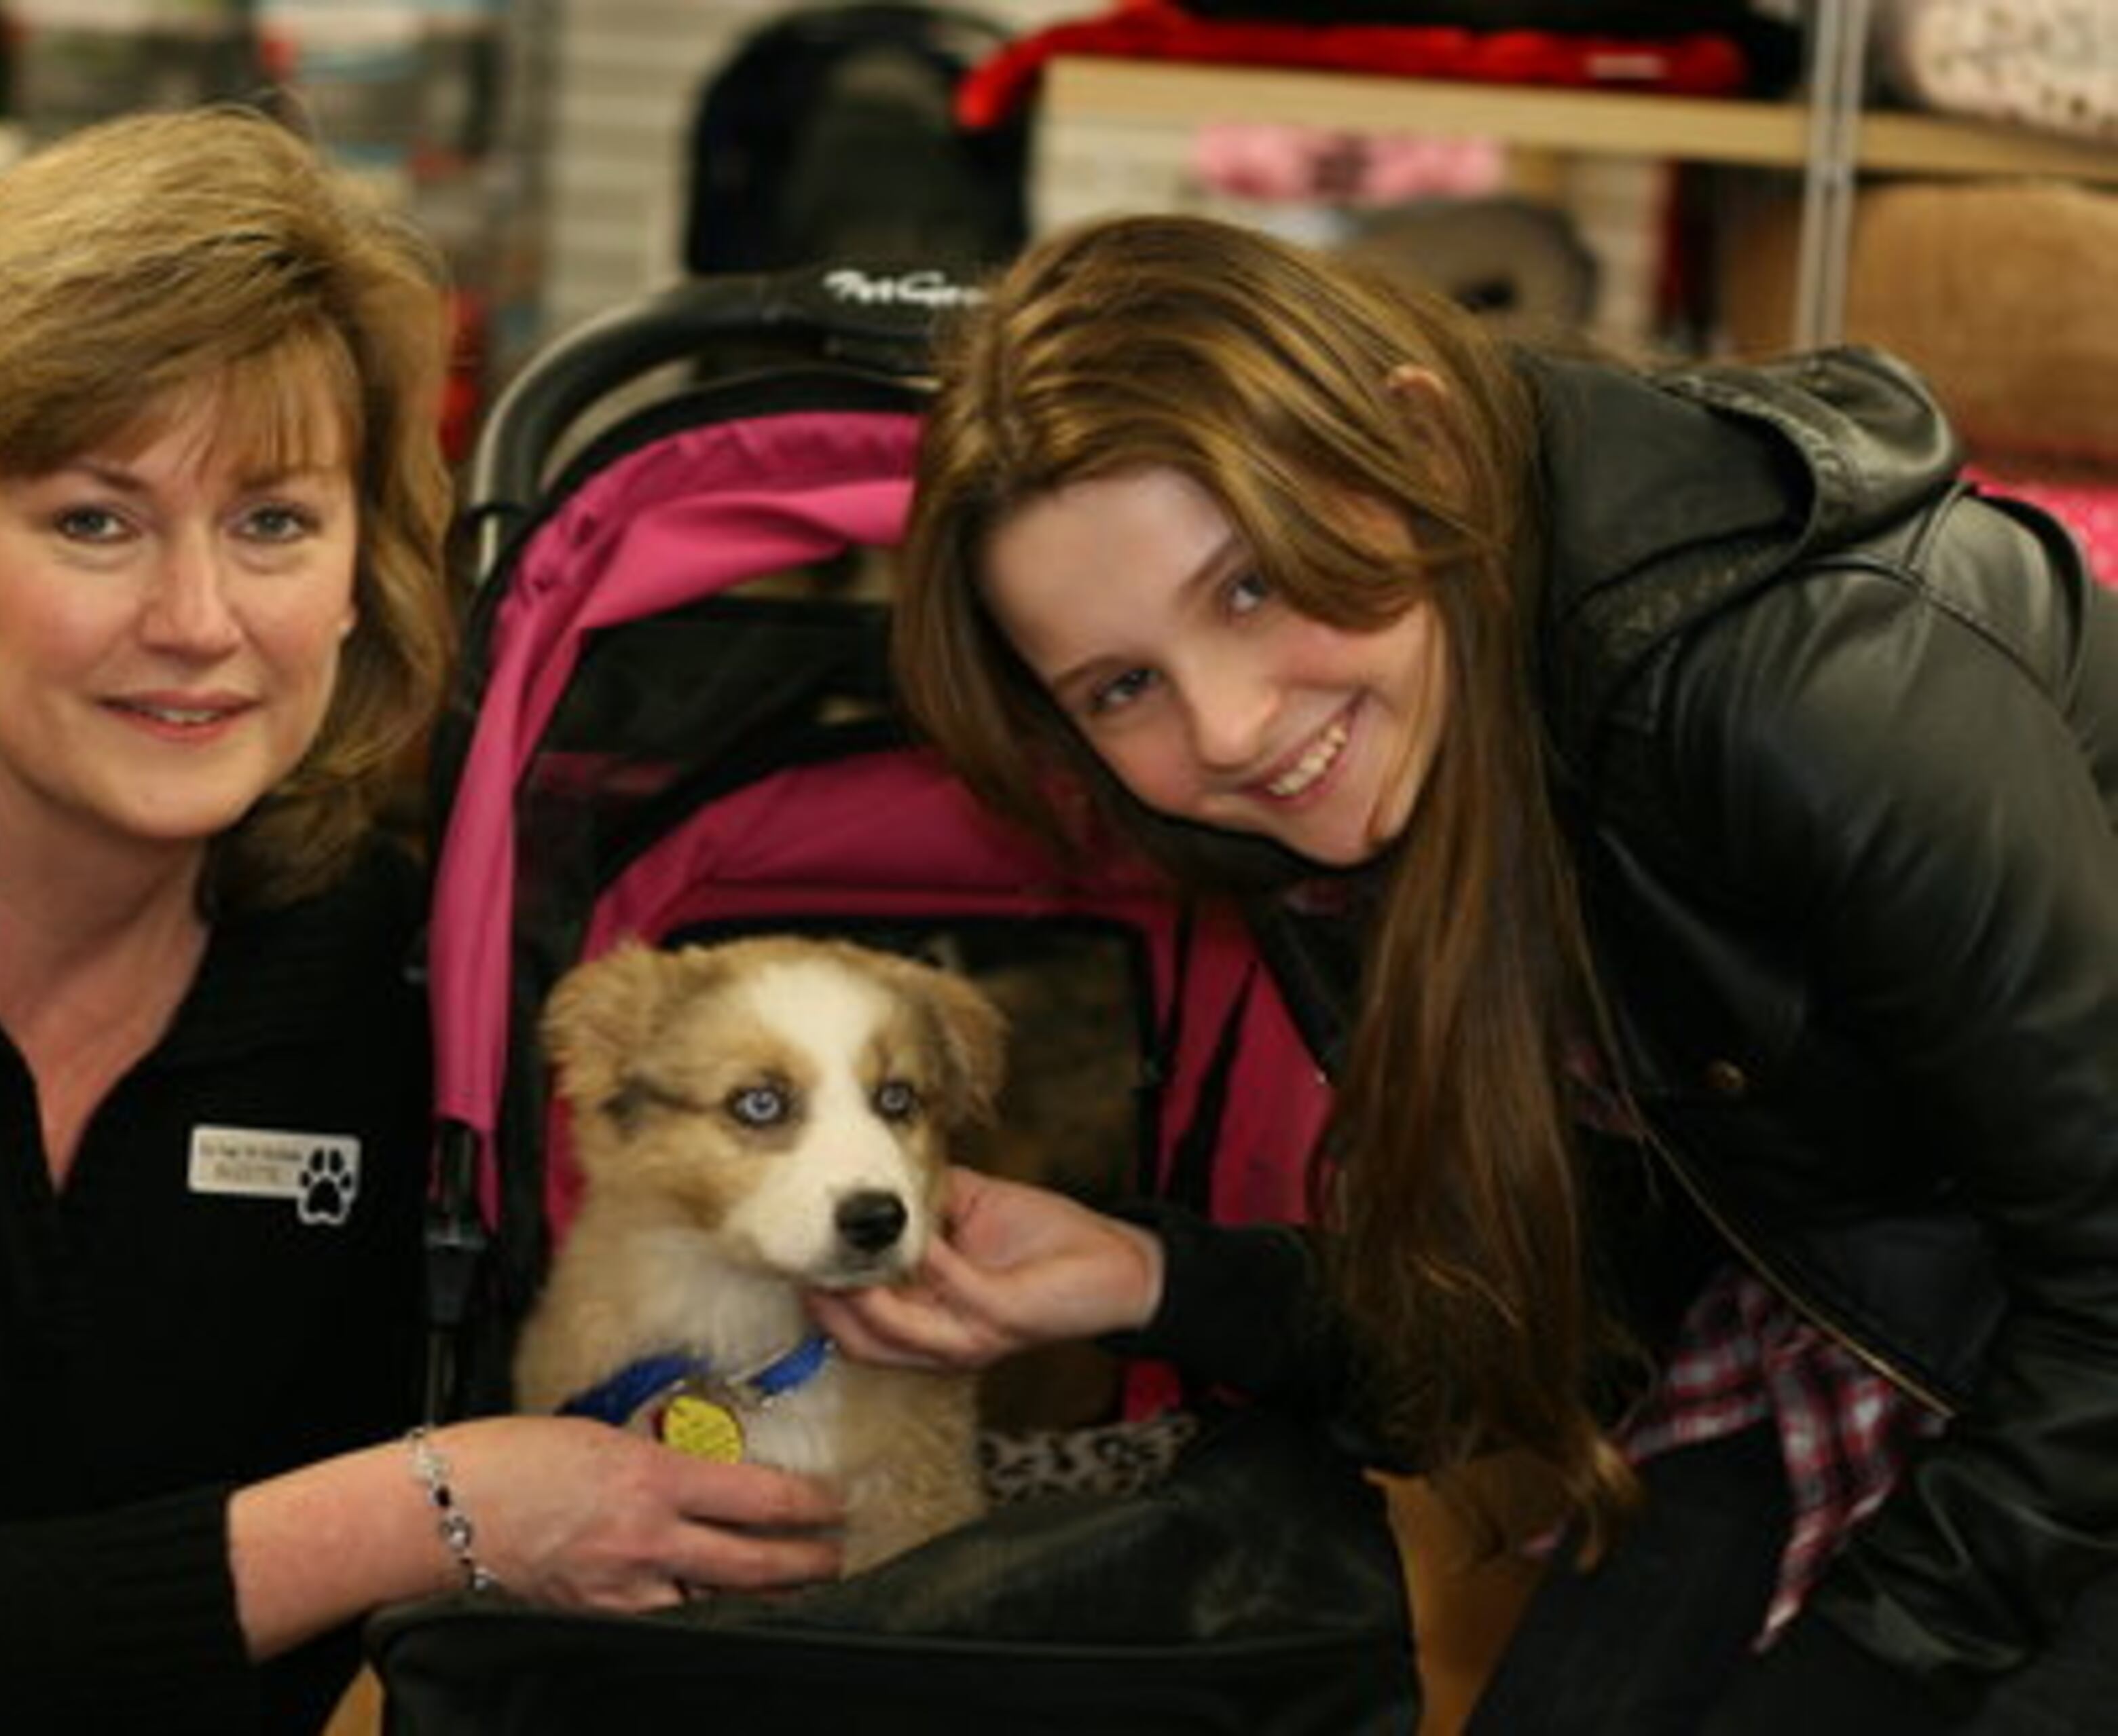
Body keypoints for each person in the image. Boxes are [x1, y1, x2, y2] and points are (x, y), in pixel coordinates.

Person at [0, 106, 839, 1736]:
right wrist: (429, 1511)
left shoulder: (393, 965)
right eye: (96, 520)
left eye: (275, 522)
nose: (199, 623)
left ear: (363, 573)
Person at [814, 211, 2117, 1733]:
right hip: (1867, 1296)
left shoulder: (1785, 686)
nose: (1227, 727)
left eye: (1247, 586)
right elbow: (1538, 1322)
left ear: (1414, 447)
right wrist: (1158, 1277)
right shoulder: (1348, 796)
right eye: (1123, 686)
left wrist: (1869, 1673)